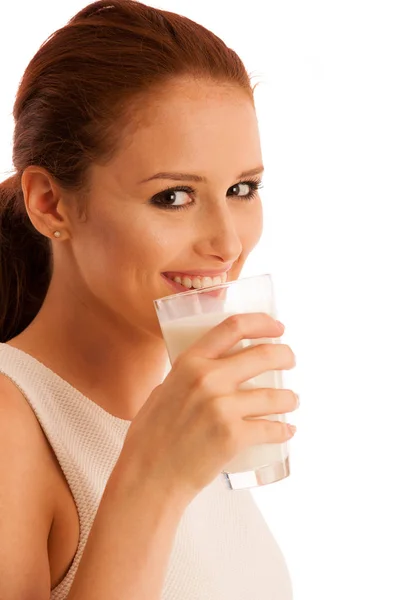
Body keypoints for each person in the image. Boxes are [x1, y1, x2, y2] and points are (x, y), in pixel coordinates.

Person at [0, 1, 299, 598]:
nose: (227, 242)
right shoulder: (11, 427)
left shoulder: (193, 422)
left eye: (242, 188)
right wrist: (154, 481)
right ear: (50, 204)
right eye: (173, 197)